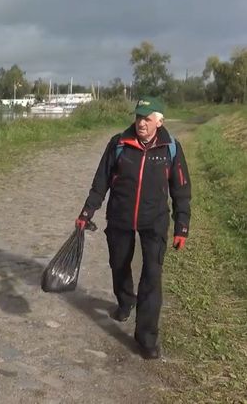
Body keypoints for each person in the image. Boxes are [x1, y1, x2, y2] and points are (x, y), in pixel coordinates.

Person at [75, 96, 191, 360]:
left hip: (155, 221)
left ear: (159, 121)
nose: (141, 123)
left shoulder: (170, 148)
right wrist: (87, 211)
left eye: (147, 119)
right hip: (121, 217)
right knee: (118, 263)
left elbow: (181, 189)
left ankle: (147, 338)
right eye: (138, 117)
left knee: (152, 276)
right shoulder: (118, 144)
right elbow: (100, 182)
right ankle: (126, 300)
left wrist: (182, 225)